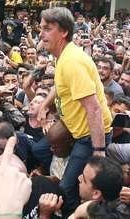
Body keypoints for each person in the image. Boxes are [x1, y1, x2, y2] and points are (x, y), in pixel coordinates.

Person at [38, 7, 112, 215]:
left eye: (47, 29)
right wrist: (45, 104)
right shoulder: (63, 56)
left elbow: (94, 108)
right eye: (40, 28)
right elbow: (61, 86)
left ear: (63, 32)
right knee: (39, 150)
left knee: (68, 187)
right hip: (76, 132)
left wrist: (98, 152)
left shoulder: (71, 61)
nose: (41, 33)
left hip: (89, 137)